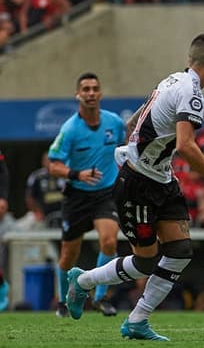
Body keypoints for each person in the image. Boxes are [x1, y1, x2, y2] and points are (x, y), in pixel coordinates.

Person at [65, 33, 204, 341]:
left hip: (161, 178)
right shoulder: (192, 93)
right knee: (146, 261)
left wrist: (145, 150)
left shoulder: (171, 80)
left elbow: (134, 119)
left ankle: (137, 320)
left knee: (180, 249)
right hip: (138, 184)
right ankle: (83, 281)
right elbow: (187, 147)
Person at [48, 72, 125, 318]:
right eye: (86, 89)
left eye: (94, 88)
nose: (90, 93)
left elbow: (123, 150)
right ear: (78, 95)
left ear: (100, 94)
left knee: (110, 241)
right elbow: (53, 165)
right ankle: (63, 302)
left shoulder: (114, 123)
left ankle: (101, 298)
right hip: (77, 196)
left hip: (105, 194)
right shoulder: (69, 129)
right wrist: (76, 174)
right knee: (69, 254)